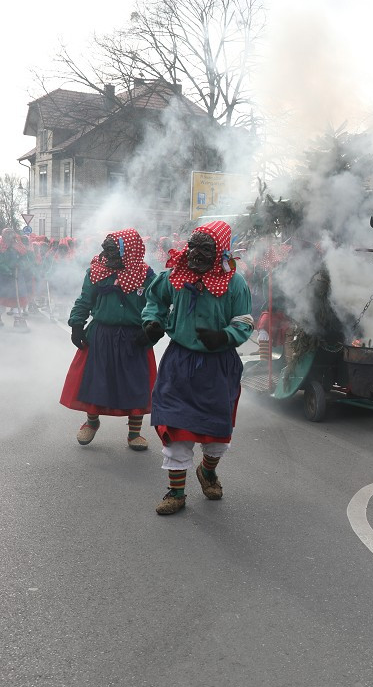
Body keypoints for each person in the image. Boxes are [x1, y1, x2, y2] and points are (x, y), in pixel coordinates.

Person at [142, 220, 254, 515]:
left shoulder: (235, 283)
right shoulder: (176, 275)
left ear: (220, 252)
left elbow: (243, 321)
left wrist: (224, 336)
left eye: (205, 248)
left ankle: (207, 471)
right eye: (192, 246)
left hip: (218, 366)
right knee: (177, 428)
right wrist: (152, 324)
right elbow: (155, 300)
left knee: (215, 433)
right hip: (179, 361)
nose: (195, 254)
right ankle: (176, 492)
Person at [59, 229, 157, 450]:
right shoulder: (96, 271)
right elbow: (84, 300)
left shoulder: (147, 276)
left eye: (111, 250)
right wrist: (76, 323)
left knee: (136, 383)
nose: (105, 254)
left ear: (128, 251)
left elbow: (156, 305)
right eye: (105, 249)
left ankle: (134, 433)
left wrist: (152, 327)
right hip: (102, 335)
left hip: (135, 337)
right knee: (96, 380)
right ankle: (91, 422)